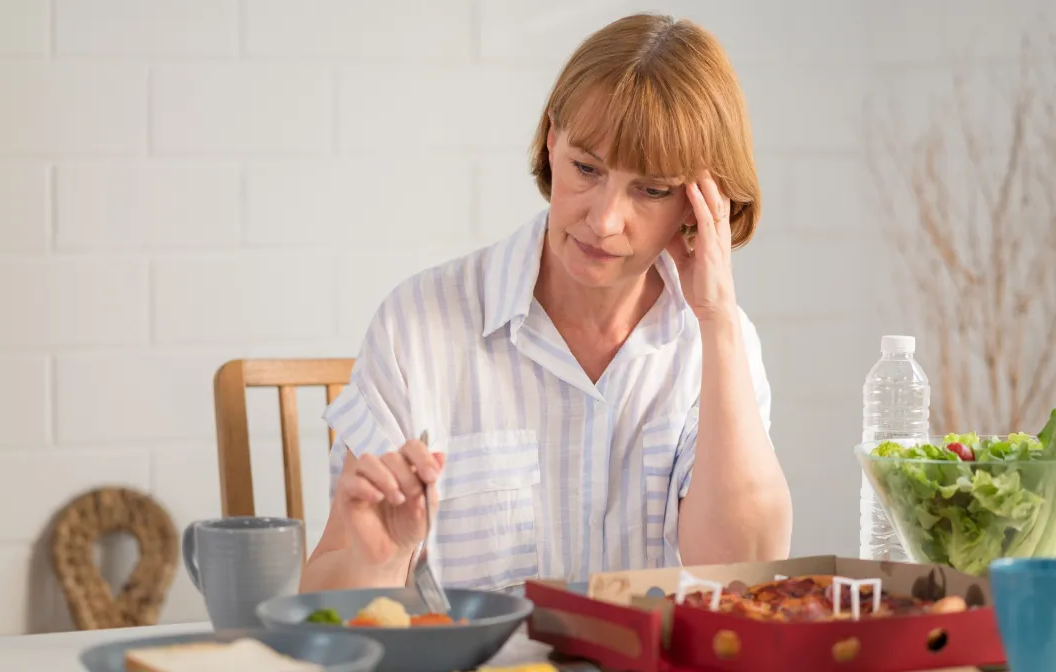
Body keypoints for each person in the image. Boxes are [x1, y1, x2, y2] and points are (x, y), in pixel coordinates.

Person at [299, 12, 792, 594]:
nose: (604, 220)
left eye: (651, 189)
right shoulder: (417, 325)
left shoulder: (713, 346)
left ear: (696, 205)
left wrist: (718, 320)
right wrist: (378, 560)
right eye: (586, 168)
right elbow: (325, 599)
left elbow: (743, 575)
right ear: (552, 140)